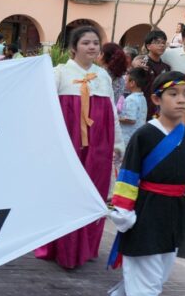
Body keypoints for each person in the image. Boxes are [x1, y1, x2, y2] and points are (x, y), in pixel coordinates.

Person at [100, 71, 185, 296]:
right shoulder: (144, 135)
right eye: (173, 94)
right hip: (145, 213)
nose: (181, 100)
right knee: (148, 289)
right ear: (156, 99)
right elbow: (128, 177)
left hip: (175, 216)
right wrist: (124, 211)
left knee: (153, 279)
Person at [35, 26, 122, 269]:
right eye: (86, 43)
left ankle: (86, 246)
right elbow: (44, 106)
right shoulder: (59, 73)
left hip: (98, 145)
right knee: (66, 191)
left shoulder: (103, 76)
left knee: (92, 192)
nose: (92, 47)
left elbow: (112, 112)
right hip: (68, 143)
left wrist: (116, 143)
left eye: (96, 43)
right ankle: (61, 247)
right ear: (74, 48)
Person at [141, 30, 171, 121]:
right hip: (144, 109)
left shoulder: (167, 67)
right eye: (157, 42)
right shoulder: (142, 65)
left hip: (161, 110)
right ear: (148, 46)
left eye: (163, 43)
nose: (162, 45)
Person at [118, 67, 149, 147]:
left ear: (132, 83)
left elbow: (131, 119)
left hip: (128, 137)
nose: (125, 82)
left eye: (126, 80)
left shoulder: (131, 99)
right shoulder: (142, 98)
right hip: (138, 134)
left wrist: (116, 118)